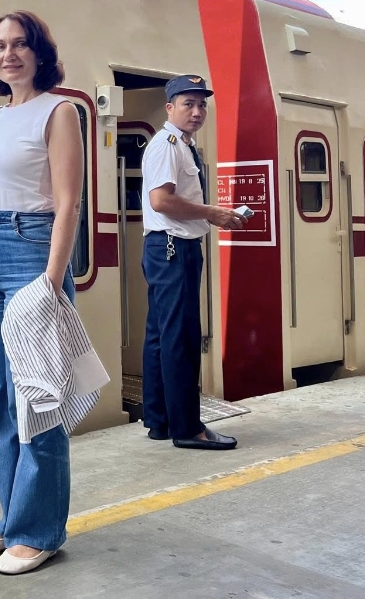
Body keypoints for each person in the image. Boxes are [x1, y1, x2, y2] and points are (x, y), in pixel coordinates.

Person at [0, 11, 84, 576]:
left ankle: (41, 530)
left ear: (38, 53)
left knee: (38, 396)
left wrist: (53, 281)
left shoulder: (60, 111)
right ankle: (13, 517)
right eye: (1, 46)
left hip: (33, 252)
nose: (9, 54)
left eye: (20, 45)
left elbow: (68, 202)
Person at [140, 75, 244, 451]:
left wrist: (210, 215)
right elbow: (161, 201)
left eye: (202, 105)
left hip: (167, 247)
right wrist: (213, 213)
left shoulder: (180, 145)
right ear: (170, 107)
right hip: (172, 248)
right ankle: (188, 428)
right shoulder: (167, 146)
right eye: (188, 103)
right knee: (180, 338)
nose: (197, 112)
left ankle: (160, 420)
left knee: (160, 336)